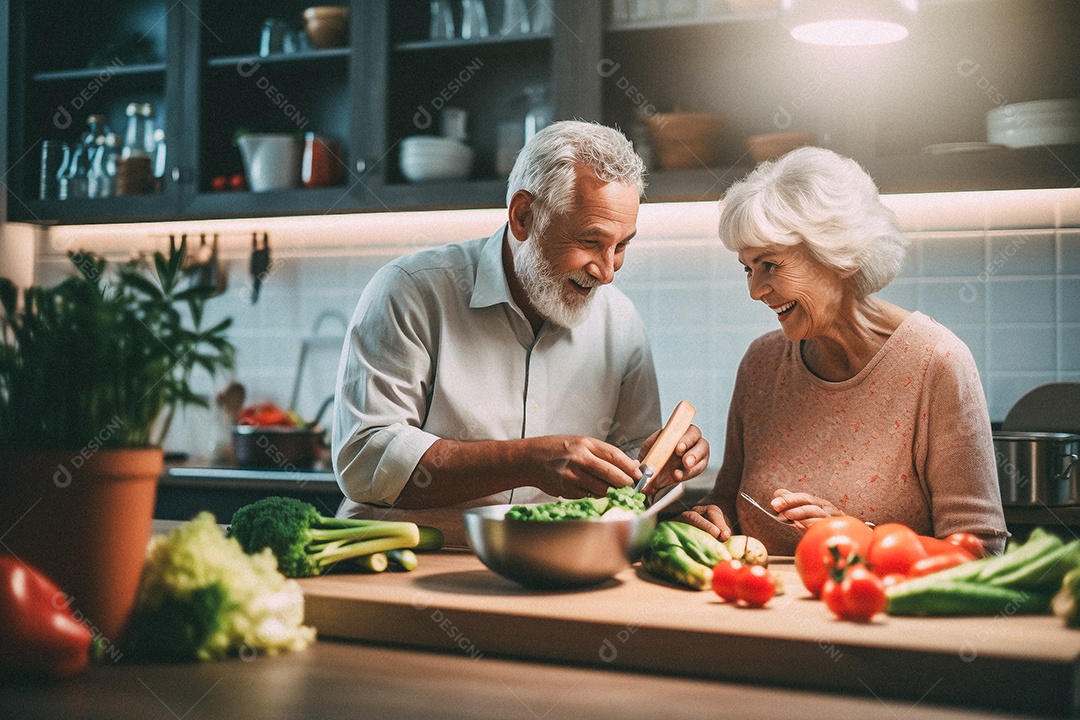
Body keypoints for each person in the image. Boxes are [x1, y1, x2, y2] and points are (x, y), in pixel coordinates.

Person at [332, 120, 710, 546]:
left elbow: (632, 482)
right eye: (591, 242)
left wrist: (658, 469)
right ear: (523, 216)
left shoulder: (621, 323)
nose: (607, 272)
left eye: (621, 246)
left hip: (555, 566)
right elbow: (365, 458)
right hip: (410, 557)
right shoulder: (412, 290)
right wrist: (526, 461)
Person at [679, 146, 1007, 556]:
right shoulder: (761, 363)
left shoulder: (936, 364)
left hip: (874, 599)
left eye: (770, 265)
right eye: (748, 268)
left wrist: (861, 540)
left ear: (839, 255)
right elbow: (730, 500)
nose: (755, 291)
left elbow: (981, 550)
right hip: (759, 595)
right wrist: (712, 518)